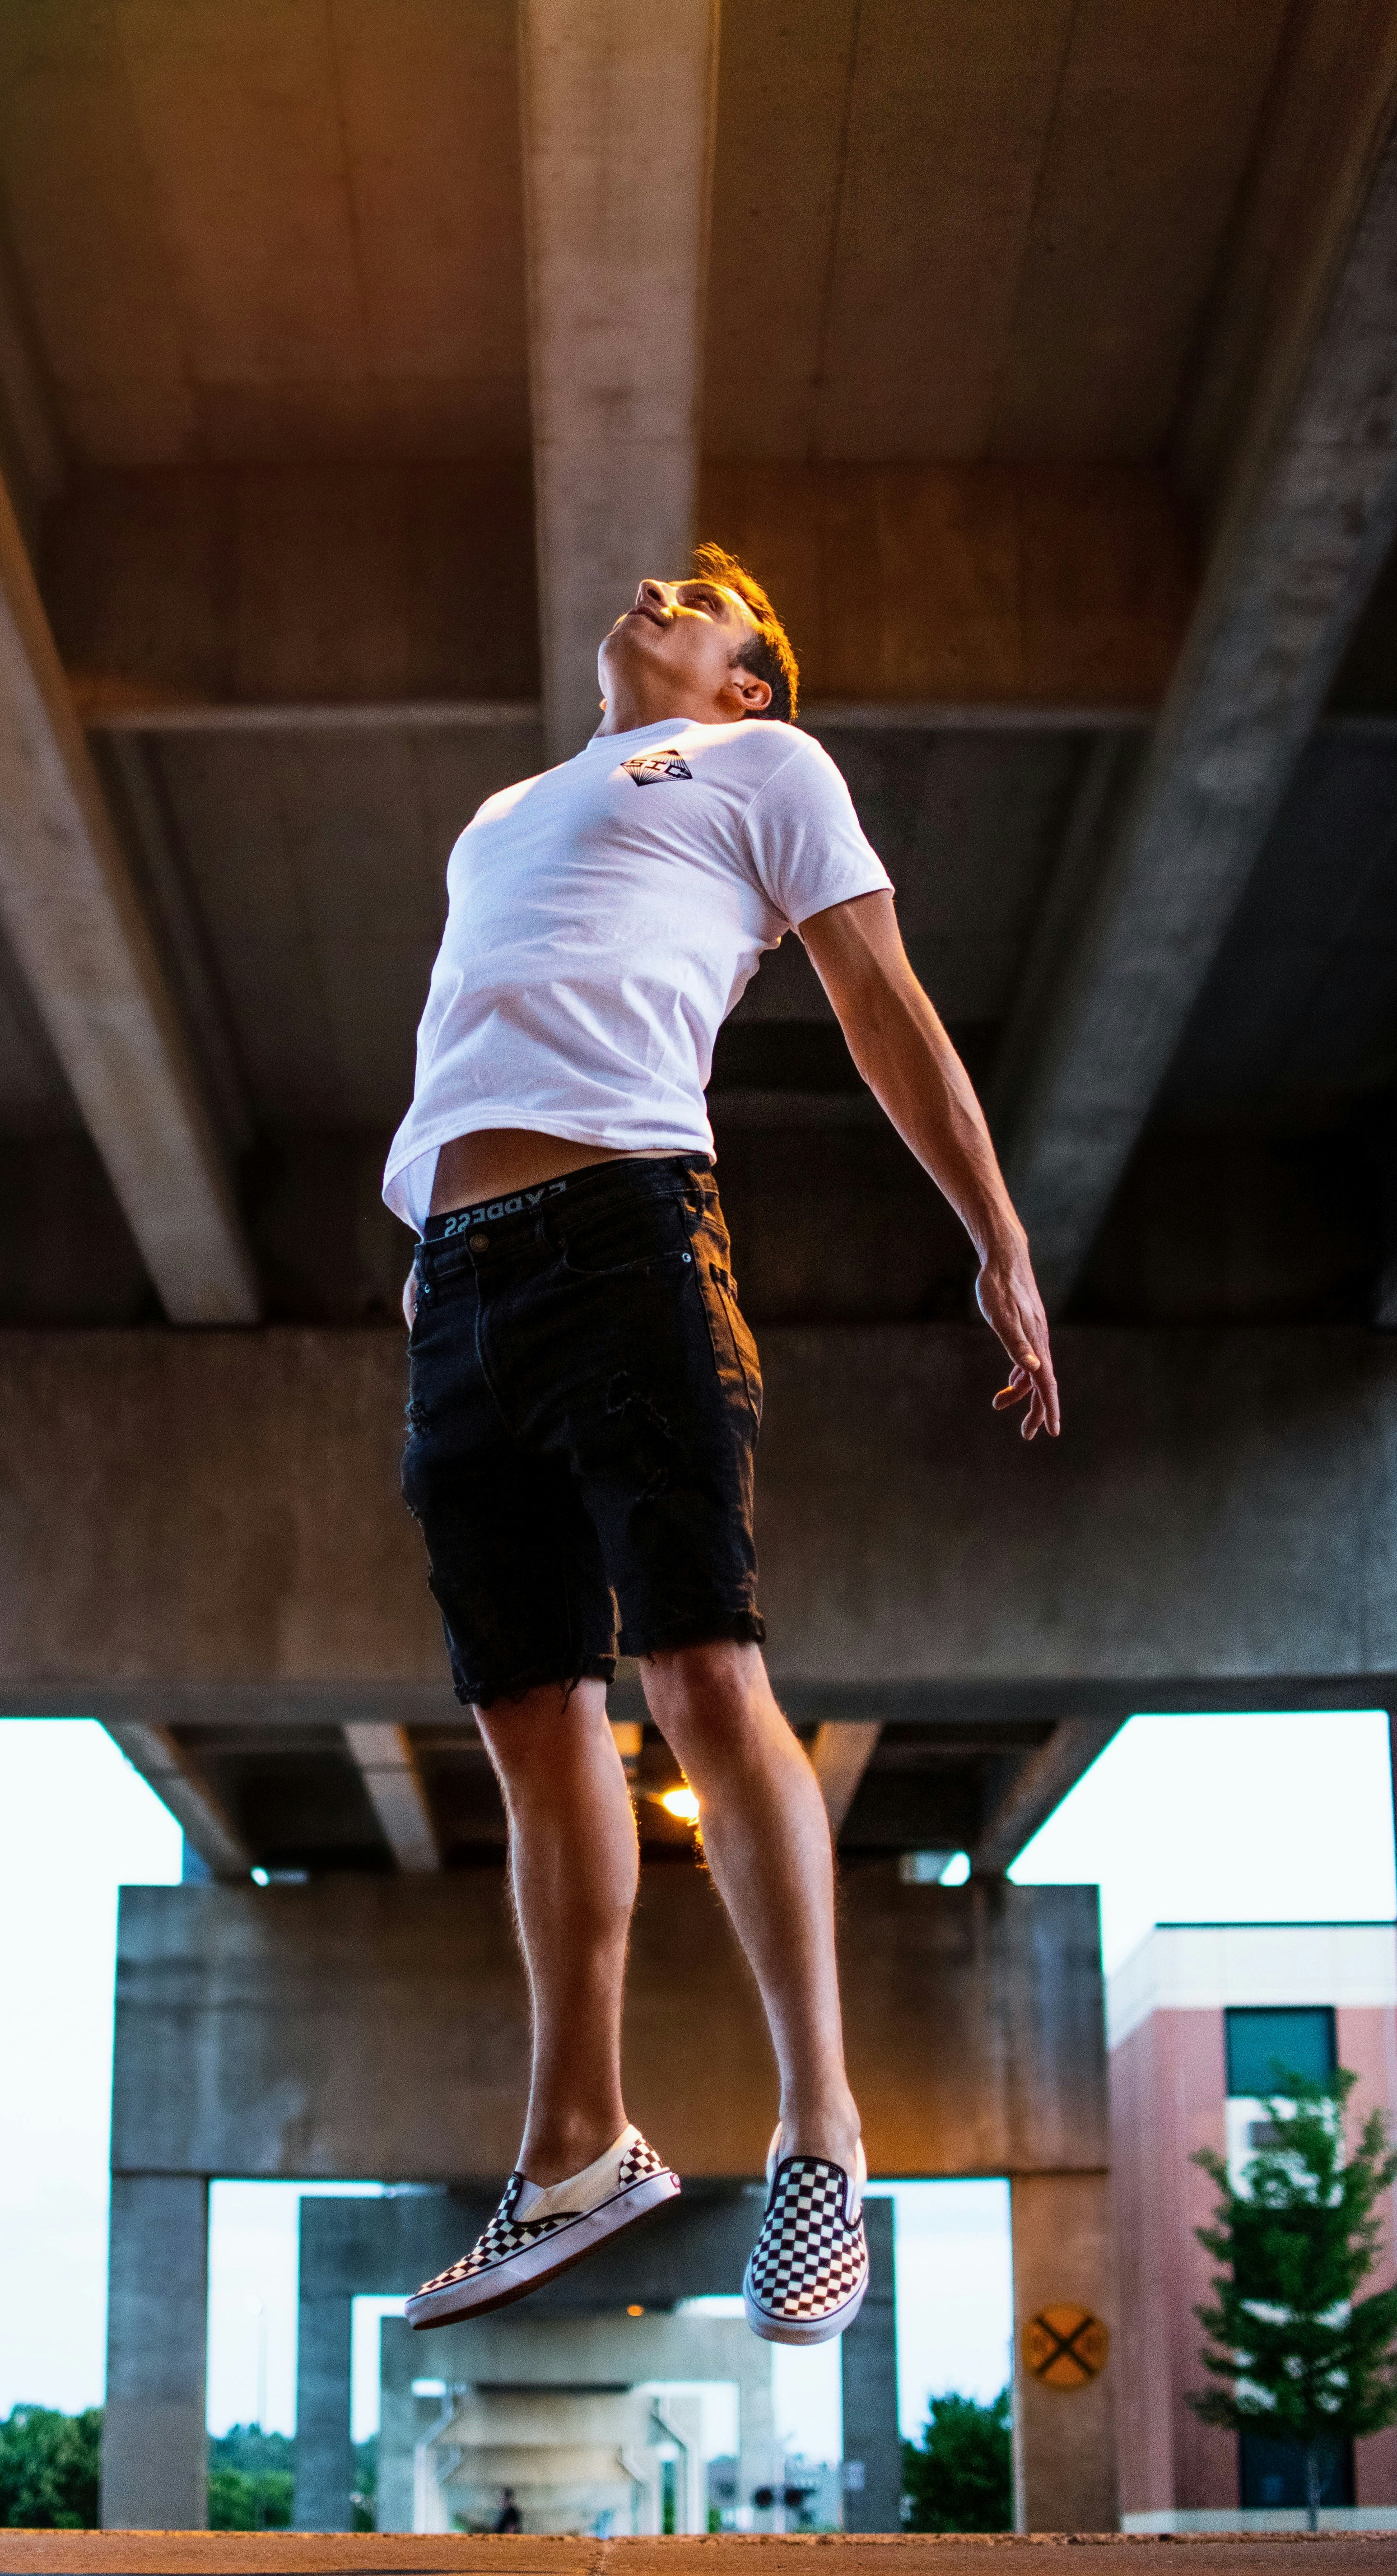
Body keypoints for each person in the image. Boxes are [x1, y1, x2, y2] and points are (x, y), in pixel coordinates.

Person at [386, 547, 1058, 2347]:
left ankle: (820, 2130)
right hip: (455, 1279)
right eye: (653, 579)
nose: (656, 589)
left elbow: (879, 1005)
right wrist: (430, 1290)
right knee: (529, 1714)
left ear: (746, 680)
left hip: (629, 1234)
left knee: (697, 1665)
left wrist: (994, 1236)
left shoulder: (766, 769)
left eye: (701, 594)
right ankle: (575, 2145)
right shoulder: (504, 813)